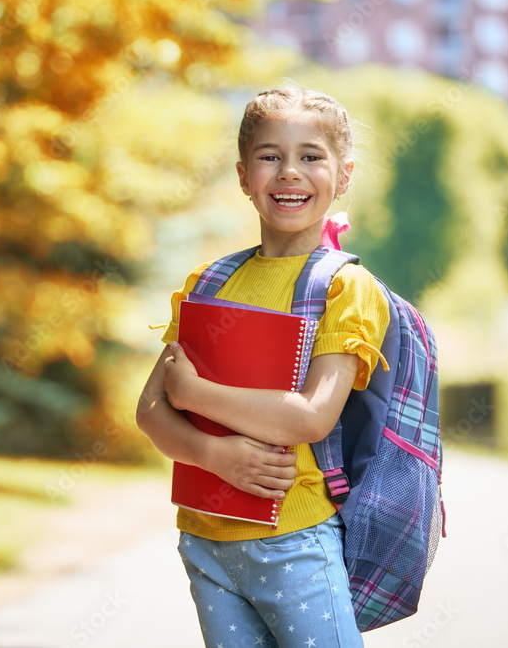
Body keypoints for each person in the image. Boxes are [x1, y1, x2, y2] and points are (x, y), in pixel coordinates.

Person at [136, 86, 391, 647]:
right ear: (243, 174)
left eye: (311, 157)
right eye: (270, 157)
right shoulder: (208, 283)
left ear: (343, 174)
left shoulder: (345, 287)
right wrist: (211, 453)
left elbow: (310, 418)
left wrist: (197, 395)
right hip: (205, 543)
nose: (289, 173)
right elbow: (150, 409)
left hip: (294, 539)